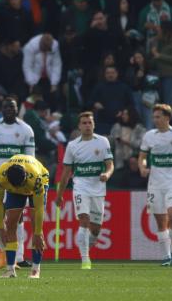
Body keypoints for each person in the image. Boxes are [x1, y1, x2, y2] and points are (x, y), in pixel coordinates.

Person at [0, 98, 36, 269]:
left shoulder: (26, 129)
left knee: (17, 218)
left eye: (12, 107)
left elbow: (31, 159)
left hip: (19, 182)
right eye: (6, 107)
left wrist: (30, 182)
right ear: (1, 109)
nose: (9, 110)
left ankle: (18, 257)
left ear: (17, 109)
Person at [137, 103, 172, 267]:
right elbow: (142, 156)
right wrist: (142, 166)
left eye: (158, 117)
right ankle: (166, 255)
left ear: (167, 117)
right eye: (154, 117)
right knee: (161, 221)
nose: (155, 120)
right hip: (155, 183)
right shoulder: (149, 136)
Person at [56, 111, 114, 270]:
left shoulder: (103, 142)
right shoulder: (73, 145)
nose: (87, 125)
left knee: (95, 230)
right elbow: (66, 171)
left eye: (90, 122)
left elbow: (110, 165)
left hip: (98, 188)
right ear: (79, 126)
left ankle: (86, 247)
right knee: (83, 220)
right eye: (84, 123)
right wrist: (59, 195)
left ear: (94, 124)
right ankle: (85, 260)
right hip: (81, 186)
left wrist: (107, 174)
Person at [0, 154, 49, 279]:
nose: (20, 189)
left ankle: (35, 270)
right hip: (14, 189)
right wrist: (1, 228)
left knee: (36, 226)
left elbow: (39, 208)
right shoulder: (0, 176)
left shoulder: (36, 178)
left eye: (21, 185)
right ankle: (10, 270)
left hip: (36, 182)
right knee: (11, 225)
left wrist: (38, 233)